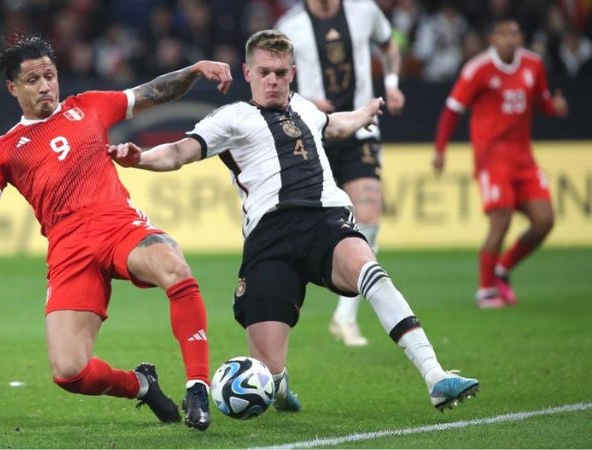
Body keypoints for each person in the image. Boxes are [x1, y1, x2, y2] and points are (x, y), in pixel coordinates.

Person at [109, 29, 479, 413]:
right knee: (266, 374)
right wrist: (140, 158)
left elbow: (333, 125)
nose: (273, 80)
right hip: (269, 239)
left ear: (292, 72)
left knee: (369, 269)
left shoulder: (305, 108)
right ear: (247, 72)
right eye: (265, 72)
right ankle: (281, 388)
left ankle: (435, 375)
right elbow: (178, 153)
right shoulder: (231, 118)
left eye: (281, 73)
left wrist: (364, 114)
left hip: (324, 220)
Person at [0, 35, 234, 431]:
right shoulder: (5, 149)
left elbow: (153, 91)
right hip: (68, 248)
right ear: (13, 88)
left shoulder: (88, 106)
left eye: (50, 75)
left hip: (116, 224)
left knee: (173, 265)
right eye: (33, 80)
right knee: (69, 371)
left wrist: (194, 70)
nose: (45, 86)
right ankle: (141, 385)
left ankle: (197, 386)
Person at [276, 0, 406, 347]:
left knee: (368, 212)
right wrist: (302, 100)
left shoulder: (364, 10)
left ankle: (344, 318)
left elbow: (390, 44)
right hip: (313, 132)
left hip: (361, 127)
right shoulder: (291, 25)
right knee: (301, 220)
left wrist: (391, 84)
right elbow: (271, 79)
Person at [433, 17, 568, 308]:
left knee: (545, 221)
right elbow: (452, 109)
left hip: (523, 158)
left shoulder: (534, 64)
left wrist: (553, 108)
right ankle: (485, 291)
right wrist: (440, 149)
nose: (510, 38)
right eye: (504, 34)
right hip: (492, 159)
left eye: (515, 33)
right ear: (493, 38)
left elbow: (541, 101)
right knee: (501, 221)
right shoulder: (478, 69)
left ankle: (503, 268)